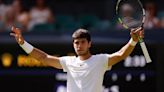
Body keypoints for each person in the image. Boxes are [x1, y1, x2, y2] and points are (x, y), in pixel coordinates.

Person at [10, 27, 144, 92]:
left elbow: (121, 54)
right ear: (73, 44)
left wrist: (132, 41)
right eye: (76, 43)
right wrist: (23, 44)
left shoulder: (100, 60)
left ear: (89, 44)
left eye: (82, 42)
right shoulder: (69, 62)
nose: (79, 46)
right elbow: (44, 57)